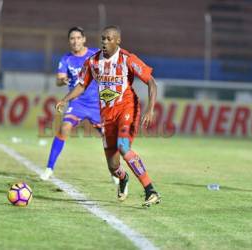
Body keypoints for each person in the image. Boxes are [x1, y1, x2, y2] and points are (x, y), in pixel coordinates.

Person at [56, 25, 161, 207]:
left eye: (109, 39)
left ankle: (150, 190)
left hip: (127, 109)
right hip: (107, 116)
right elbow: (82, 85)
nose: (104, 42)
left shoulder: (128, 59)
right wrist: (65, 99)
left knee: (123, 146)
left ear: (118, 41)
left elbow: (151, 82)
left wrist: (150, 109)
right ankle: (123, 178)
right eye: (103, 38)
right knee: (113, 167)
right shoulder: (93, 62)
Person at [40, 27, 107, 181]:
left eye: (78, 38)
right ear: (69, 41)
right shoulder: (66, 59)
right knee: (64, 128)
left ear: (84, 39)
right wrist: (62, 80)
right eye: (72, 38)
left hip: (96, 103)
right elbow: (59, 79)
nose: (75, 41)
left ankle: (116, 173)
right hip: (77, 102)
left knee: (109, 139)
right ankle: (49, 168)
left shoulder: (95, 54)